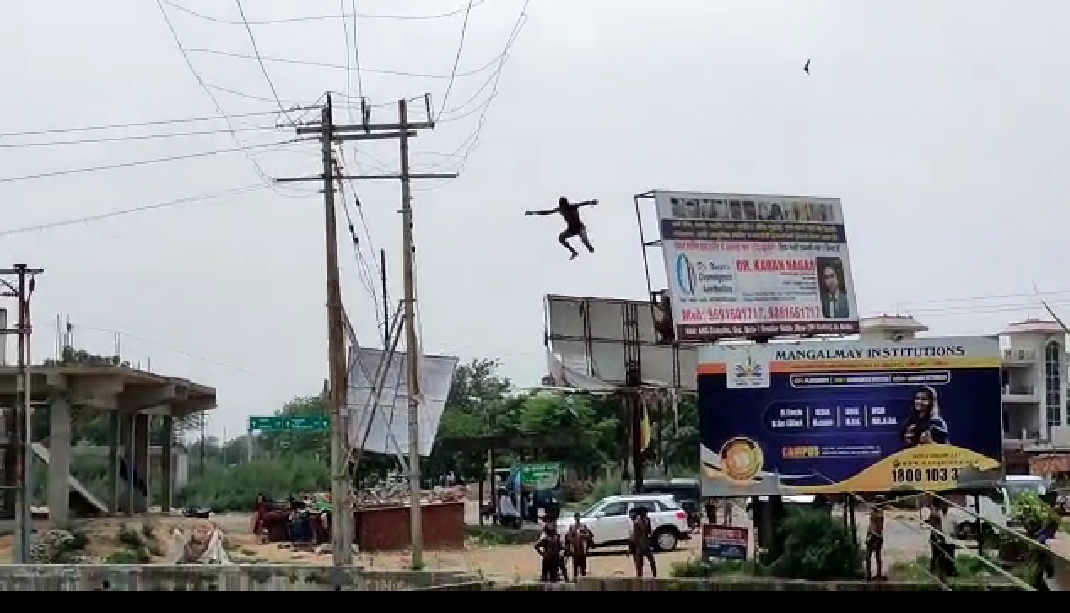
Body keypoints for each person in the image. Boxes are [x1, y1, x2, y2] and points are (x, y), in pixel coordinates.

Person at [524, 197, 598, 260]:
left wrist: (591, 202)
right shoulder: (560, 209)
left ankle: (589, 247)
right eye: (562, 208)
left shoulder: (572, 206)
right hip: (571, 229)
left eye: (564, 207)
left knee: (584, 240)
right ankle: (573, 252)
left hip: (580, 227)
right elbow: (547, 212)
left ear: (566, 204)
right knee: (561, 238)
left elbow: (583, 203)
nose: (563, 209)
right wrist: (532, 212)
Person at [565, 512, 594, 580]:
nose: (577, 518)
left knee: (583, 566)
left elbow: (589, 535)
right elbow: (568, 537)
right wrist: (573, 541)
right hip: (575, 549)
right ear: (574, 518)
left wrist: (582, 535)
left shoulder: (583, 526)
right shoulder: (572, 527)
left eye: (578, 517)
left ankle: (583, 579)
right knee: (575, 566)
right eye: (576, 517)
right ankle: (575, 580)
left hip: (582, 549)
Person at [630, 506, 657, 578]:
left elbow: (649, 532)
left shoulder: (647, 520)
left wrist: (650, 540)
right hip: (639, 546)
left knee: (652, 561)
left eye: (646, 513)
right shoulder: (636, 522)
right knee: (639, 565)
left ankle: (655, 576)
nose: (645, 514)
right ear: (640, 513)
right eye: (644, 513)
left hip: (646, 544)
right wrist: (635, 547)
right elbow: (635, 536)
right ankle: (639, 579)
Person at [865, 502, 885, 580]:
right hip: (871, 536)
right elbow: (871, 526)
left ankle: (878, 575)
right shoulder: (874, 514)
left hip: (876, 537)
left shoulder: (880, 515)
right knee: (868, 556)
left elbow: (878, 527)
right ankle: (869, 575)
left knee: (877, 556)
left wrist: (876, 535)